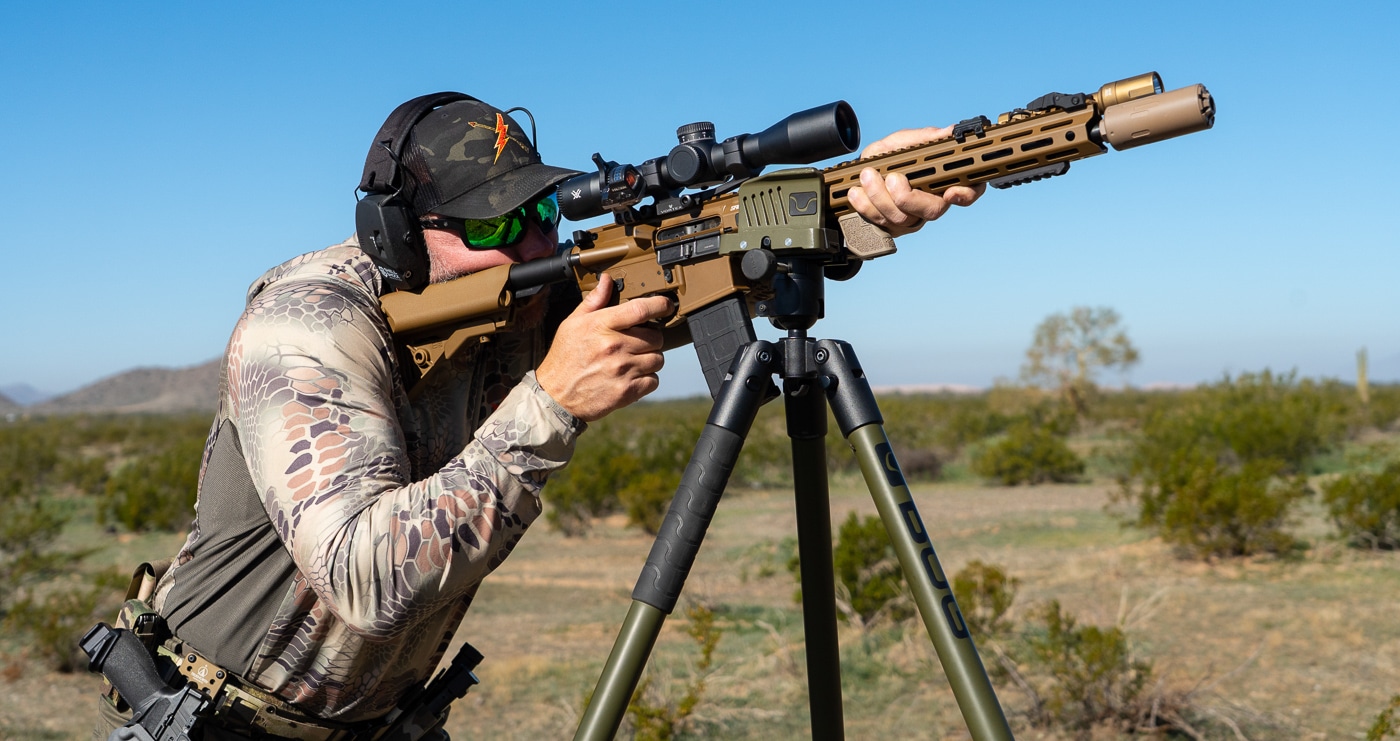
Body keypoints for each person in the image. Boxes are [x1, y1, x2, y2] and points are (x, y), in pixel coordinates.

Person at [94, 92, 981, 740]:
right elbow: (367, 580)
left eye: (540, 212)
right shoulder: (308, 326)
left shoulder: (524, 296)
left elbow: (716, 269)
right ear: (398, 236)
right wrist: (550, 401)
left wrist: (857, 201)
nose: (527, 244)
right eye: (489, 228)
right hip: (211, 722)